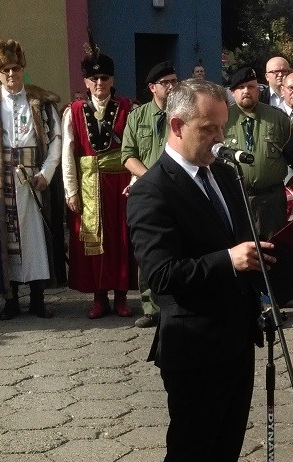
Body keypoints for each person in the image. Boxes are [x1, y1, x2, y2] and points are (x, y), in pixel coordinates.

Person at [126, 78, 270, 462]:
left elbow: (239, 245)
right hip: (192, 345)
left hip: (236, 335)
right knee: (190, 451)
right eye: (208, 129)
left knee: (226, 446)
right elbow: (161, 275)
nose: (218, 139)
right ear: (176, 125)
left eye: (222, 128)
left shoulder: (224, 175)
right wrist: (228, 260)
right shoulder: (152, 190)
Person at [0, 39, 65, 320]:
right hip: (1, 181)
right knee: (4, 241)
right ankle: (10, 301)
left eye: (15, 69)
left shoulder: (40, 101)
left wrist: (46, 173)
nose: (11, 74)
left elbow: (56, 140)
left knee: (36, 240)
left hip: (34, 179)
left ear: (22, 69)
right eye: (5, 70)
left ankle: (37, 298)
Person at [62, 40, 136, 319]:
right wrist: (71, 190)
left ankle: (121, 296)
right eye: (94, 79)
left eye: (104, 78)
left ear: (112, 80)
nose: (99, 83)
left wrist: (135, 182)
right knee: (94, 243)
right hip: (89, 185)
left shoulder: (128, 108)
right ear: (86, 82)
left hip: (120, 184)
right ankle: (99, 297)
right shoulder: (74, 111)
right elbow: (68, 153)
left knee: (121, 240)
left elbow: (135, 149)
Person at [122, 61, 178, 328]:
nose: (172, 87)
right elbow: (127, 155)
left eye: (175, 81)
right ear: (152, 87)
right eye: (166, 83)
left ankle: (175, 303)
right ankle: (150, 306)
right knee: (148, 247)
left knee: (177, 246)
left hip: (178, 188)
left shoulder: (183, 114)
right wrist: (149, 180)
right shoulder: (137, 117)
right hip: (148, 191)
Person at [225, 67, 293, 240]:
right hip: (236, 199)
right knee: (242, 248)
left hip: (271, 201)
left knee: (273, 248)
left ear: (258, 90)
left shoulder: (278, 118)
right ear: (233, 92)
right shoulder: (223, 120)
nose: (246, 91)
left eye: (251, 86)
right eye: (241, 87)